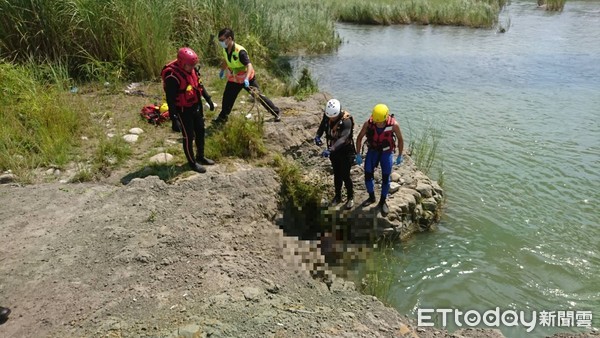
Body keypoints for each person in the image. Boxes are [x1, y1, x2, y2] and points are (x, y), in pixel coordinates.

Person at [161, 47, 215, 174]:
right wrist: (174, 119)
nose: (192, 68)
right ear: (181, 63)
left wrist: (208, 99)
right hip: (183, 110)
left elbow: (199, 86)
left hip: (196, 106)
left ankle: (200, 156)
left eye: (193, 65)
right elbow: (170, 99)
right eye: (189, 65)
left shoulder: (192, 69)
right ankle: (192, 163)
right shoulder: (172, 77)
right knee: (188, 136)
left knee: (201, 131)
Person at [213, 27, 281, 124]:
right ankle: (223, 117)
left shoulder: (240, 51)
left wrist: (246, 79)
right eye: (219, 40)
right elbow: (226, 60)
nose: (221, 42)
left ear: (230, 39)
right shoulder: (225, 49)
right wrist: (222, 70)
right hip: (235, 78)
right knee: (227, 97)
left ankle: (276, 112)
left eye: (222, 40)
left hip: (247, 78)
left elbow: (249, 65)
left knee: (258, 96)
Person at [355, 104, 404, 215]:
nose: (379, 124)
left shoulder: (394, 125)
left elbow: (400, 140)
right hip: (373, 150)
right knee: (368, 173)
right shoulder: (369, 124)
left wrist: (400, 155)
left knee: (386, 177)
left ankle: (382, 202)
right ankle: (371, 197)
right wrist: (357, 154)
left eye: (381, 122)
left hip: (386, 152)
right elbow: (359, 138)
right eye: (377, 122)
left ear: (386, 118)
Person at [315, 99, 355, 209]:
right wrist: (318, 135)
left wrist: (330, 149)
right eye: (330, 116)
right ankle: (338, 196)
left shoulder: (347, 121)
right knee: (337, 174)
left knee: (345, 175)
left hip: (345, 151)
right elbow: (323, 125)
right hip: (334, 151)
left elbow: (343, 138)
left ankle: (350, 197)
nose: (331, 118)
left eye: (334, 116)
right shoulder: (328, 115)